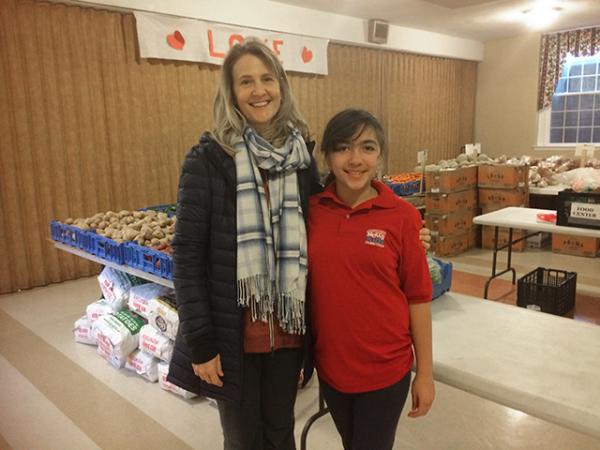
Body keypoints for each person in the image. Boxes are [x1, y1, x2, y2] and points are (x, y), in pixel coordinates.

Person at [167, 38, 320, 450]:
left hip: (288, 332)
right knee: (243, 440)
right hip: (233, 335)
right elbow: (186, 257)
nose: (259, 91)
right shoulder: (209, 159)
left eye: (267, 79)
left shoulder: (302, 159)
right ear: (231, 92)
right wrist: (201, 344)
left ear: (282, 86)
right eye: (246, 81)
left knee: (280, 434)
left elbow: (328, 227)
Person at [308, 108, 435, 450]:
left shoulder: (403, 217)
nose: (355, 159)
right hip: (331, 368)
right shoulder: (312, 212)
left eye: (367, 147)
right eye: (343, 147)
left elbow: (419, 298)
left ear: (380, 155)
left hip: (385, 370)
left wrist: (425, 374)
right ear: (328, 155)